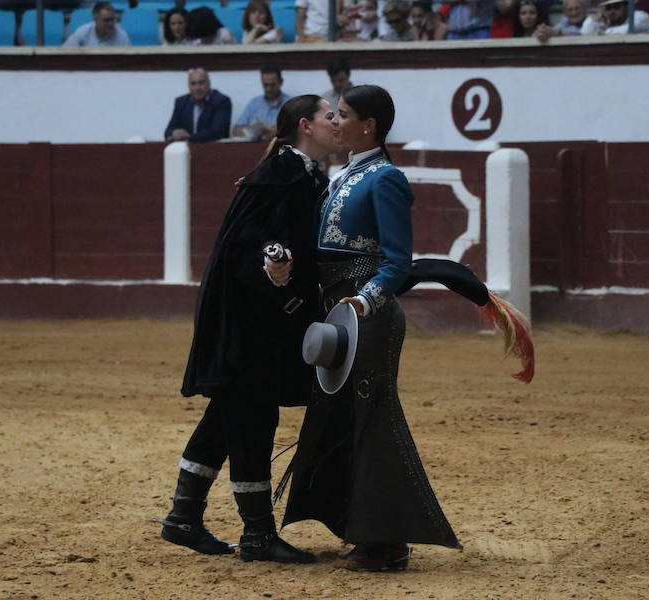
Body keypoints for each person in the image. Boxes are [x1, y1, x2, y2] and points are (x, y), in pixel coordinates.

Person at [280, 85, 462, 572]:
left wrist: (365, 298)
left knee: (372, 420)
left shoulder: (385, 178)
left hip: (368, 315)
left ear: (369, 126)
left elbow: (398, 261)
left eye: (342, 116)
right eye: (332, 116)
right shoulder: (344, 175)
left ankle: (388, 540)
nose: (333, 123)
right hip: (337, 311)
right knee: (341, 418)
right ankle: (359, 526)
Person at [156, 94, 342, 564]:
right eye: (329, 116)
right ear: (306, 125)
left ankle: (183, 517)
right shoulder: (280, 174)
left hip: (263, 317)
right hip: (251, 323)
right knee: (253, 418)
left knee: (228, 416)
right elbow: (249, 245)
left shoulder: (299, 173)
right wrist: (274, 265)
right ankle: (258, 533)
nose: (336, 123)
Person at [164, 68, 232, 143]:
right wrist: (174, 133)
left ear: (209, 83)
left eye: (201, 83)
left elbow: (217, 131)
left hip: (214, 150)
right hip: (186, 150)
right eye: (193, 84)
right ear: (188, 85)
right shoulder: (181, 102)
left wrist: (189, 137)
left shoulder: (221, 101)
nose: (197, 88)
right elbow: (168, 131)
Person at [232, 65, 292, 141]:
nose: (268, 89)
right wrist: (250, 132)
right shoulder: (254, 103)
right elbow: (235, 130)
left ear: (281, 82)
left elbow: (296, 131)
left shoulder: (290, 103)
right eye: (265, 85)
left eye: (272, 85)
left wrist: (275, 131)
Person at [63, 2, 131, 47]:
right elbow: (64, 51)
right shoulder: (83, 32)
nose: (110, 23)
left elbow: (130, 60)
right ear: (96, 19)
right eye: (106, 20)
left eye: (112, 19)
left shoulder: (122, 36)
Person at [580, 0, 649, 34]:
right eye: (608, 8)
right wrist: (598, 17)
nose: (612, 11)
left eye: (617, 7)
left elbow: (627, 31)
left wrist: (605, 32)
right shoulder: (605, 22)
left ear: (627, 7)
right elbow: (585, 32)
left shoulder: (641, 17)